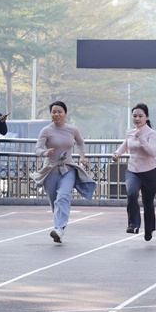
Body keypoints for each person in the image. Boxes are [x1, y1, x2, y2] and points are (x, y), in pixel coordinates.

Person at [32, 101, 96, 243]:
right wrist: (45, 152)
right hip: (50, 170)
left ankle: (59, 228)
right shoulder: (46, 130)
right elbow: (37, 149)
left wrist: (82, 157)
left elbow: (80, 142)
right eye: (54, 112)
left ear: (65, 113)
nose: (56, 114)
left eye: (59, 111)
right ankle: (58, 228)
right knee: (54, 201)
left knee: (63, 197)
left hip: (67, 169)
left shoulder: (72, 129)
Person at [112, 103, 156, 241]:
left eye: (140, 116)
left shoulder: (151, 133)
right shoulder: (130, 132)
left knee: (148, 203)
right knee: (131, 194)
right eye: (134, 116)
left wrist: (141, 138)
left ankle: (149, 229)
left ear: (147, 117)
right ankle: (133, 224)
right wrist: (117, 154)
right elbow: (125, 145)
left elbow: (152, 152)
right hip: (133, 171)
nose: (137, 119)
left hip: (149, 171)